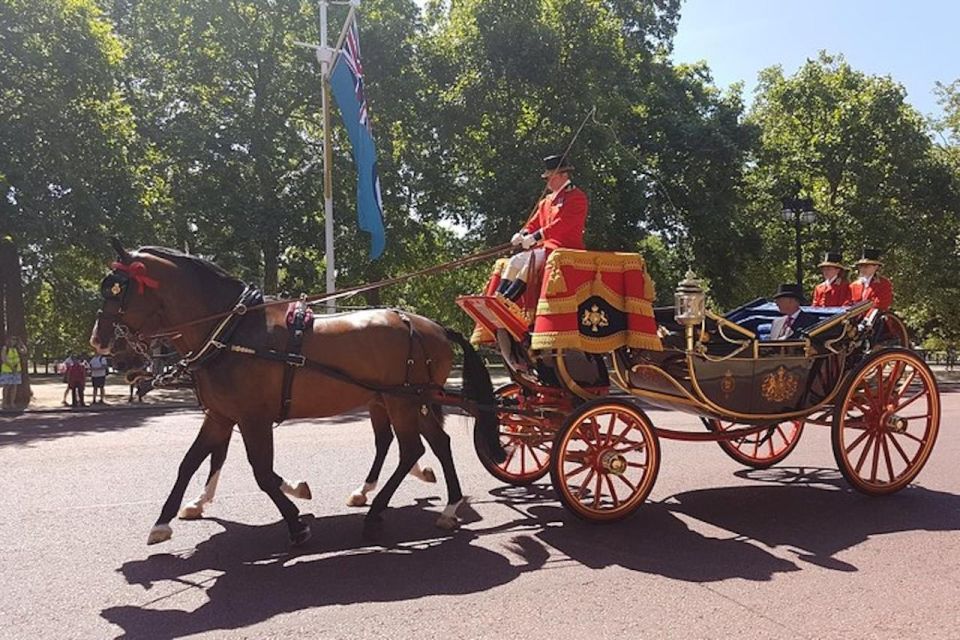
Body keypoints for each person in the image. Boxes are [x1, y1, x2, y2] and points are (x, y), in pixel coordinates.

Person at [496, 154, 589, 301]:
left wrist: (536, 237)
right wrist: (523, 233)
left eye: (550, 177)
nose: (547, 182)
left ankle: (508, 300)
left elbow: (562, 224)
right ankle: (498, 297)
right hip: (545, 249)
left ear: (563, 175)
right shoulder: (547, 201)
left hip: (564, 248)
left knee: (531, 261)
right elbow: (534, 223)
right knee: (515, 261)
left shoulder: (576, 197)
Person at [1, 336, 24, 410]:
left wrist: (21, 344)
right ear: (8, 340)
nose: (14, 341)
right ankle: (4, 403)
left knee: (14, 387)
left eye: (15, 340)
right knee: (6, 387)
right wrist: (11, 367)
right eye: (12, 339)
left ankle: (12, 403)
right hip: (7, 370)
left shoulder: (17, 348)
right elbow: (4, 359)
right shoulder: (5, 348)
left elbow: (24, 351)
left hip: (16, 371)